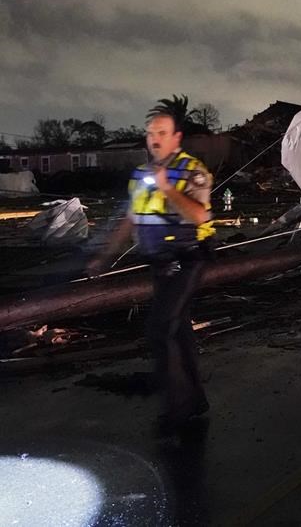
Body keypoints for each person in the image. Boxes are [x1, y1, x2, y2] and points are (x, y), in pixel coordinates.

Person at [89, 106, 216, 433]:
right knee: (179, 331)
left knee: (161, 328)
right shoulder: (141, 174)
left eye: (162, 133)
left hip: (188, 259)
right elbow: (131, 218)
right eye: (150, 133)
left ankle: (178, 407)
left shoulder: (193, 171)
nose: (154, 139)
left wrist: (168, 189)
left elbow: (200, 216)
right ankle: (196, 399)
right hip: (160, 264)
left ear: (177, 138)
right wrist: (106, 256)